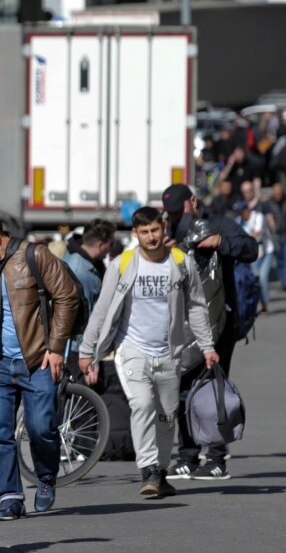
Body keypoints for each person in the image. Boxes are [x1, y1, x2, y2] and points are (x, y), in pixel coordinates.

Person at [79, 207, 219, 497]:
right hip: (132, 349)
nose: (151, 237)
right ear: (135, 234)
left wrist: (207, 346)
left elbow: (196, 306)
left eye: (155, 230)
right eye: (144, 232)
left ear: (163, 229)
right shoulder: (123, 264)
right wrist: (87, 350)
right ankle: (148, 469)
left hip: (170, 352)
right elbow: (102, 310)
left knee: (167, 416)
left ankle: (162, 470)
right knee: (142, 404)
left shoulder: (181, 262)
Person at [0, 207, 79, 521]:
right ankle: (10, 497)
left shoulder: (35, 256)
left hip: (37, 361)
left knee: (41, 429)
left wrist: (57, 347)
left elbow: (67, 295)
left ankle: (46, 476)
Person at [160, 184, 257, 481]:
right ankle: (187, 455)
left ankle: (216, 458)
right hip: (183, 324)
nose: (176, 216)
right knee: (182, 388)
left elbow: (252, 249)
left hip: (220, 322)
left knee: (213, 387)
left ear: (193, 201)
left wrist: (221, 242)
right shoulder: (169, 230)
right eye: (172, 212)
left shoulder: (218, 224)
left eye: (180, 210)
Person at [62, 219, 116, 366]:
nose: (110, 249)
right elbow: (86, 317)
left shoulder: (78, 258)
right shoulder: (82, 272)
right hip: (77, 350)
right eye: (110, 244)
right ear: (100, 244)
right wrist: (89, 357)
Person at [238, 181, 274, 313]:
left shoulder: (258, 215)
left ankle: (264, 303)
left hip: (267, 250)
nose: (242, 214)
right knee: (254, 278)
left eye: (243, 212)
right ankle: (257, 303)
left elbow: (257, 235)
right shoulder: (239, 221)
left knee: (262, 277)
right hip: (253, 254)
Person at [265, 183, 286, 292]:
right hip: (275, 235)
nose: (278, 195)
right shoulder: (269, 203)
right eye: (276, 193)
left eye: (279, 193)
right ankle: (283, 282)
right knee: (279, 259)